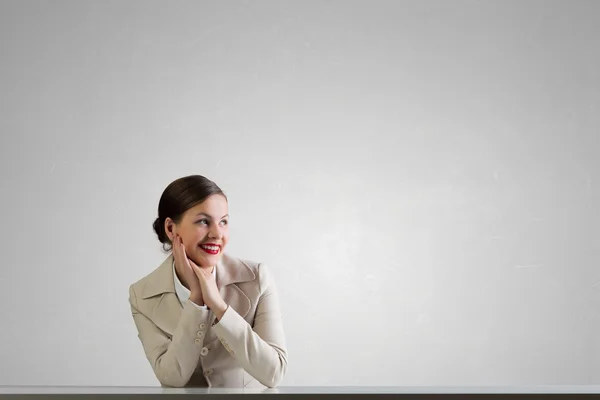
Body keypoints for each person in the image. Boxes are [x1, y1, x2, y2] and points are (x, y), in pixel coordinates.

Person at [128, 175, 287, 388]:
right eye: (203, 221)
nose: (217, 234)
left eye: (223, 222)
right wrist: (197, 299)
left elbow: (274, 373)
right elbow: (172, 377)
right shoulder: (142, 295)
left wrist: (220, 307)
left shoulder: (257, 278)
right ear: (171, 229)